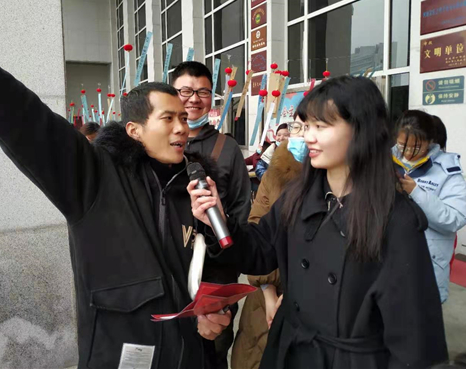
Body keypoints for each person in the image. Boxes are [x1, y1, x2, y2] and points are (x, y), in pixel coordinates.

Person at [0, 4, 230, 369]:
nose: (182, 128)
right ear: (134, 130)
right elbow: (24, 119)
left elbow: (211, 268)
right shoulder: (94, 177)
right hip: (124, 357)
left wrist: (216, 310)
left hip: (192, 357)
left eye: (184, 118)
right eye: (168, 118)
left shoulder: (195, 186)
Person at [189, 76, 448, 368]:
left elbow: (415, 338)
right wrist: (220, 221)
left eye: (321, 127)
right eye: (306, 126)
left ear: (362, 130)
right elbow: (259, 252)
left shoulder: (396, 220)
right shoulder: (297, 197)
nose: (308, 137)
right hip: (289, 351)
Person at [171, 61, 251, 368]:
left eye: (203, 92)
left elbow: (242, 211)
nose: (194, 99)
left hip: (215, 274)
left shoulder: (227, 148)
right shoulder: (158, 145)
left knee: (213, 352)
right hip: (172, 269)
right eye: (185, 91)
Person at [231, 118, 307, 369]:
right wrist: (268, 291)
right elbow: (258, 228)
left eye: (310, 126)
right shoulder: (276, 172)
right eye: (297, 127)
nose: (302, 135)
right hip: (267, 292)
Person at [393, 110, 466, 303]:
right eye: (402, 145)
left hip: (425, 265)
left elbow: (456, 218)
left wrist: (416, 192)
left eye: (416, 147)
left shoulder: (447, 172)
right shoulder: (384, 162)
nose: (408, 152)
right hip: (387, 264)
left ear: (430, 141)